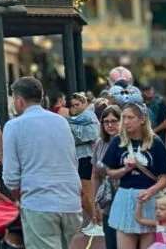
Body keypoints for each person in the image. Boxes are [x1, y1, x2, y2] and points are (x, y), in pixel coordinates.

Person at [2, 77, 82, 249]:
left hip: (40, 202)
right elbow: (73, 161)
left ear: (19, 101)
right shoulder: (61, 121)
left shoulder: (14, 126)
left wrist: (20, 198)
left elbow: (10, 177)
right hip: (70, 201)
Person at [101, 101, 166, 248]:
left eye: (130, 117)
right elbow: (109, 173)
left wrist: (150, 191)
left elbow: (165, 178)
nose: (126, 122)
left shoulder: (156, 143)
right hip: (125, 197)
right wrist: (125, 170)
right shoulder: (118, 141)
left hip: (150, 200)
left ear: (142, 119)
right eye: (124, 117)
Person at [68, 92, 102, 236]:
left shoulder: (88, 117)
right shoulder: (75, 119)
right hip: (79, 158)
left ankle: (99, 222)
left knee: (87, 193)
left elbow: (91, 135)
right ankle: (95, 220)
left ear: (85, 104)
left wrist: (72, 127)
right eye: (73, 105)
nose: (74, 108)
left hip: (86, 158)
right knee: (82, 193)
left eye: (77, 105)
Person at [91, 105, 123, 249]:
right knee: (111, 242)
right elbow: (95, 175)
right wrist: (95, 203)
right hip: (107, 200)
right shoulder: (100, 144)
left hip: (126, 199)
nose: (110, 125)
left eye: (114, 121)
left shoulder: (128, 143)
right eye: (106, 121)